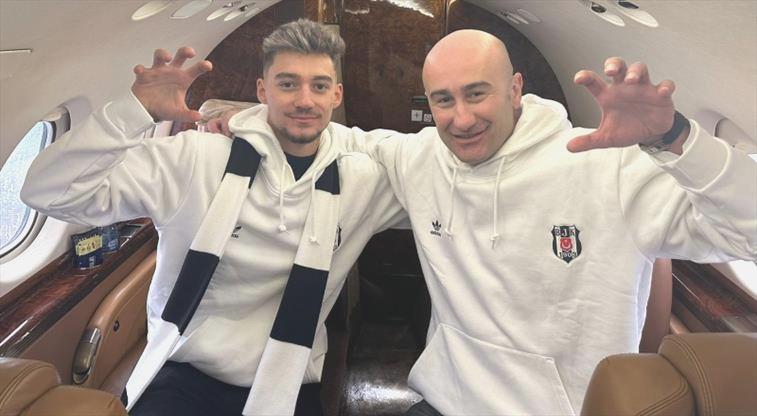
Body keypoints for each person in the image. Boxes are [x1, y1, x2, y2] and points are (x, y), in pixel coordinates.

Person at [214, 28, 756, 414]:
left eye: (477, 93)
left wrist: (674, 140)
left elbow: (746, 235)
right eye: (443, 100)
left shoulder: (608, 166)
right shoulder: (421, 157)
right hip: (443, 401)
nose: (462, 118)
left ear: (515, 88)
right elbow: (334, 134)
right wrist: (242, 117)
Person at [21, 20, 404, 416]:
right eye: (288, 84)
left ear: (336, 95)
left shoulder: (362, 179)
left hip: (291, 374)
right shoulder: (196, 159)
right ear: (262, 91)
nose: (304, 100)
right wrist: (134, 112)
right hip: (186, 370)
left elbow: (433, 178)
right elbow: (48, 191)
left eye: (319, 86)